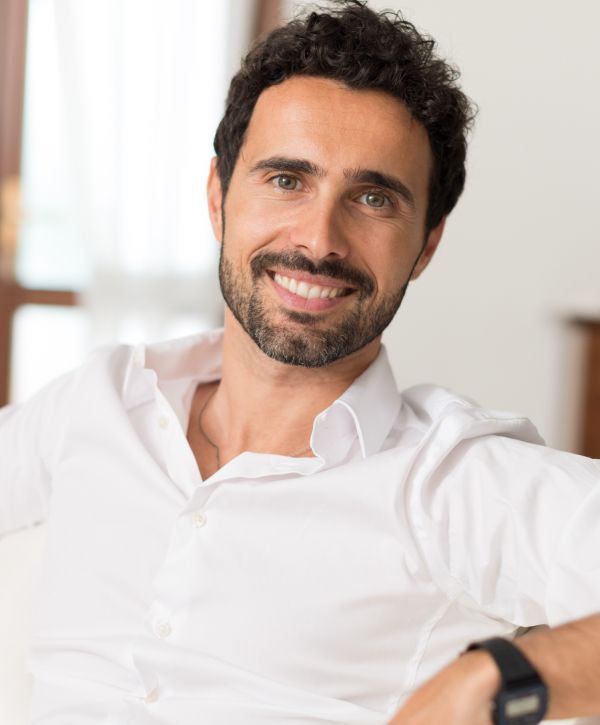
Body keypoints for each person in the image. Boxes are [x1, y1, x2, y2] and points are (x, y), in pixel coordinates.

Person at [1, 2, 599, 724]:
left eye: (373, 198)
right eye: (287, 180)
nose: (319, 240)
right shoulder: (101, 401)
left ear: (427, 245)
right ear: (219, 198)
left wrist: (495, 675)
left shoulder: (448, 479)